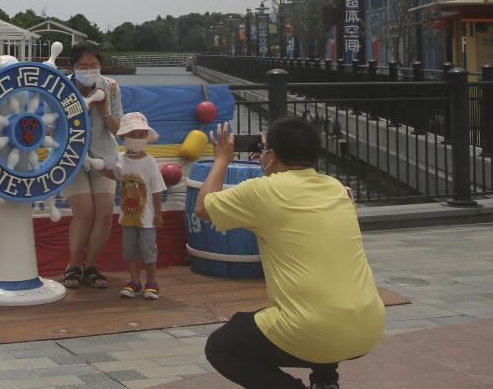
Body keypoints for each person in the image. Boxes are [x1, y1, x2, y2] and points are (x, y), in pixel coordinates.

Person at [195, 117, 385, 389]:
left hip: (311, 330)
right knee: (318, 300)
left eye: (263, 149)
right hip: (368, 327)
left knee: (221, 346)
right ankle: (326, 382)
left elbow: (203, 208)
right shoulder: (337, 188)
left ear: (271, 155)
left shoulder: (262, 191)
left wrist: (222, 159)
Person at [58, 43, 122, 289]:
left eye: (93, 66)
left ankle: (91, 266)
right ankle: (73, 265)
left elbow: (119, 129)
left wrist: (104, 109)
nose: (89, 70)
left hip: (104, 156)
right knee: (84, 213)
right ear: (72, 68)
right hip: (72, 157)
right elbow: (52, 128)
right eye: (82, 66)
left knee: (104, 214)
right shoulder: (61, 86)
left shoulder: (111, 86)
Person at [113, 112, 165, 299]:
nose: (137, 139)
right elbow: (115, 176)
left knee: (149, 251)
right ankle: (134, 281)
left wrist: (158, 214)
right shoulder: (120, 159)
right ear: (123, 137)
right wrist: (95, 165)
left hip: (147, 217)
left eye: (141, 135)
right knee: (131, 251)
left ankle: (152, 281)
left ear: (146, 138)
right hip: (127, 217)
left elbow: (157, 189)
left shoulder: (150, 161)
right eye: (132, 135)